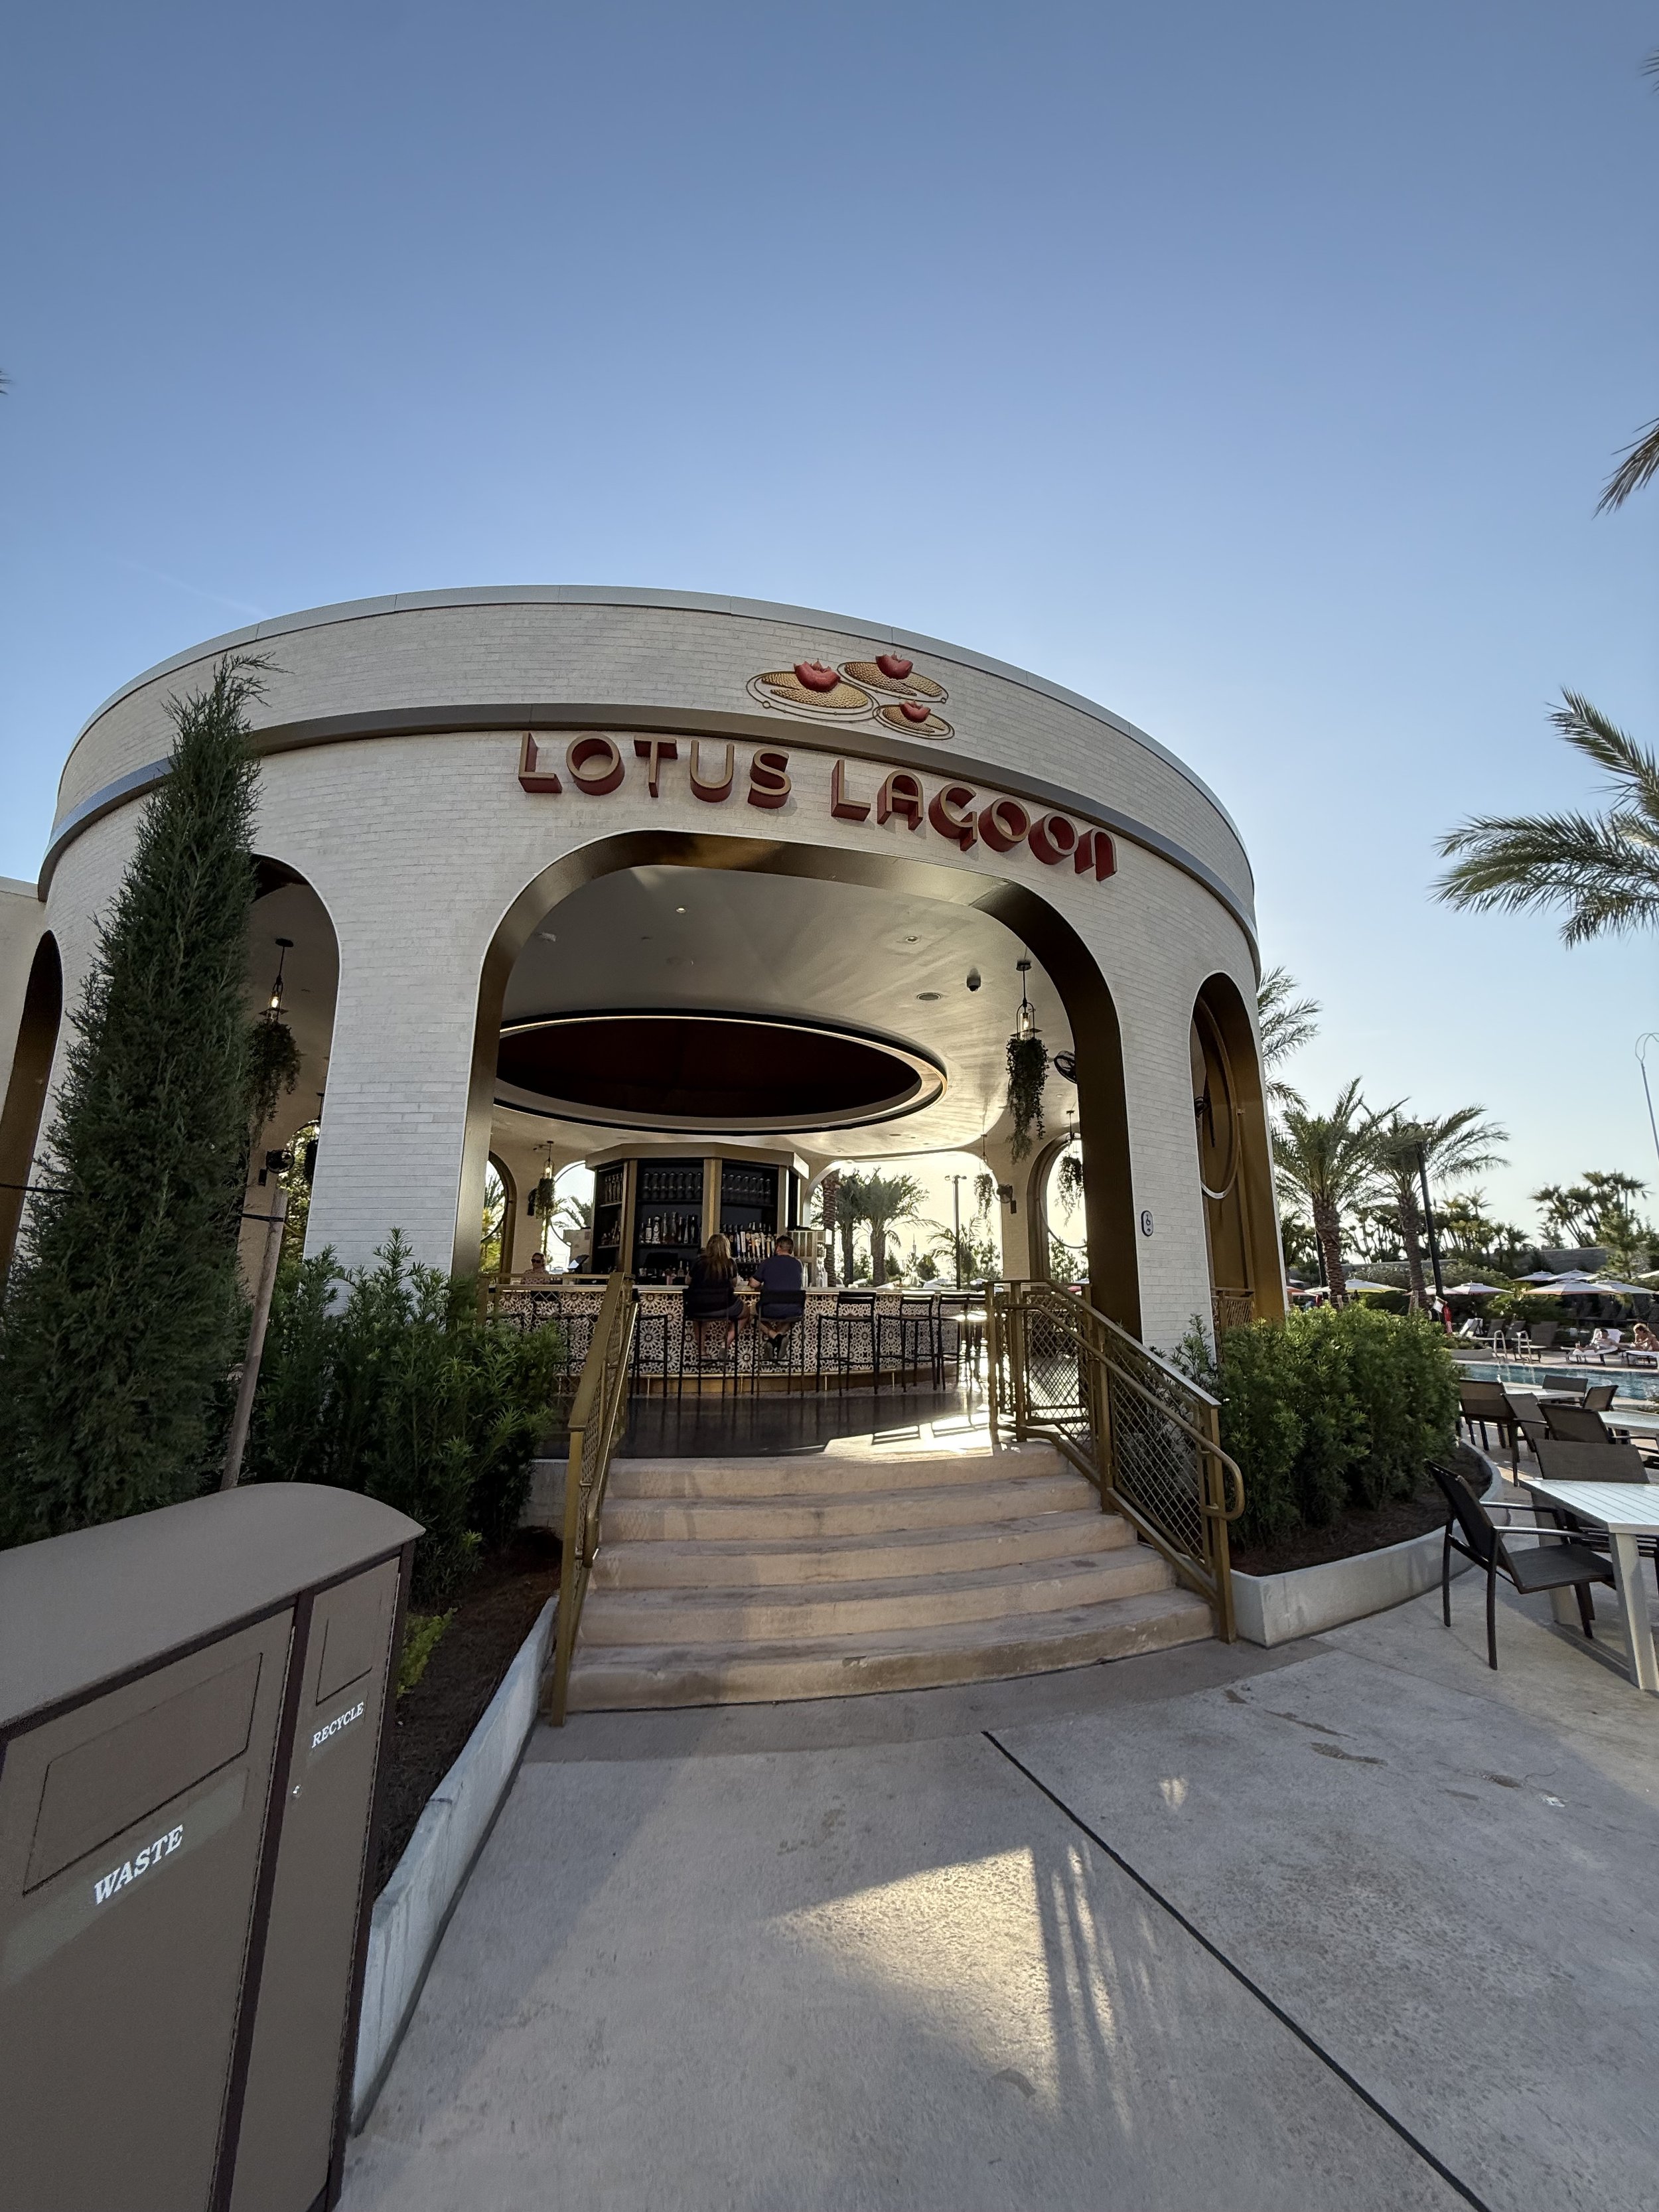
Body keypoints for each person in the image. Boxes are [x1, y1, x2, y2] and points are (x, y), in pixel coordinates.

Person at [749, 1233, 806, 1360]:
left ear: (778, 1248)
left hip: (770, 1308)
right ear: (791, 1249)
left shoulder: (768, 1262)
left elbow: (754, 1283)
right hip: (794, 1309)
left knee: (750, 1313)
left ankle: (775, 1337)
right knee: (791, 1316)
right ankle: (778, 1338)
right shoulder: (798, 1264)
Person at [686, 1232, 743, 1359]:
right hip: (724, 1308)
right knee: (746, 1313)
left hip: (699, 1308)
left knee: (699, 1318)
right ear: (726, 1247)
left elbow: (687, 1281)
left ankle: (702, 1353)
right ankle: (725, 1344)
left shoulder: (698, 1261)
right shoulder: (730, 1263)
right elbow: (734, 1283)